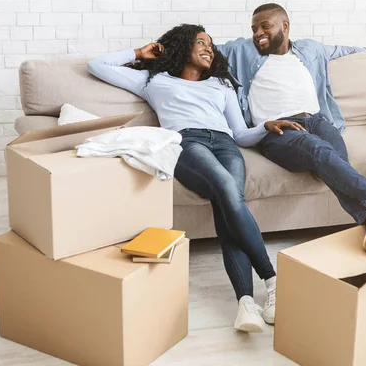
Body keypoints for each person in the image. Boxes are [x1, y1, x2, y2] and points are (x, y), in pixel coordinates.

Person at [87, 24, 302, 333]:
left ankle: (246, 305)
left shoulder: (220, 85)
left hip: (225, 144)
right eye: (200, 42)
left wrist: (265, 126)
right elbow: (96, 65)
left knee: (228, 206)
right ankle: (273, 280)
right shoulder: (154, 80)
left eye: (211, 45)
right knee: (228, 188)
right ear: (181, 47)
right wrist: (139, 53)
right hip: (188, 143)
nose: (208, 48)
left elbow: (240, 134)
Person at [216, 4, 366, 255]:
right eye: (254, 28)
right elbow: (203, 48)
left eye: (265, 26)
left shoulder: (310, 50)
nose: (258, 33)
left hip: (318, 120)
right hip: (277, 130)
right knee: (318, 150)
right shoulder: (242, 50)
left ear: (285, 26)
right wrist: (157, 53)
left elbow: (346, 50)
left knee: (335, 159)